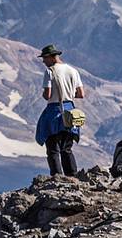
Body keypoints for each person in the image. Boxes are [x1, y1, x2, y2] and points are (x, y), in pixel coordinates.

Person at [34, 44, 85, 177]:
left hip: (54, 111)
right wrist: (68, 93)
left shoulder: (50, 71)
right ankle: (72, 175)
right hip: (70, 110)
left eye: (44, 58)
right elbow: (81, 94)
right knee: (66, 148)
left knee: (53, 148)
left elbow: (48, 95)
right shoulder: (73, 71)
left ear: (51, 57)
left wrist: (46, 94)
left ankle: (57, 175)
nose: (43, 61)